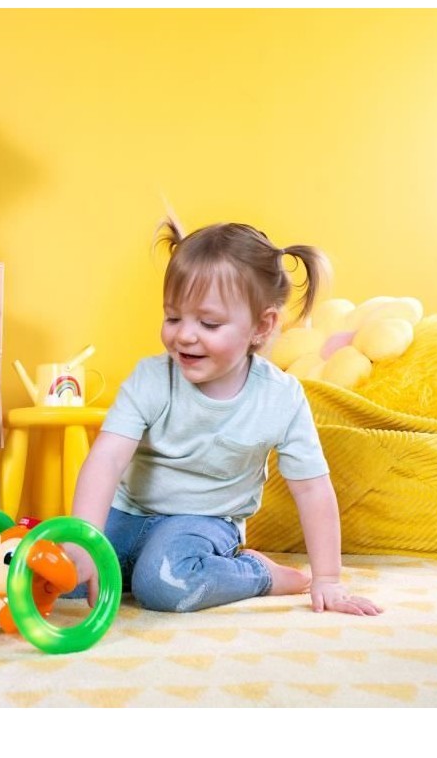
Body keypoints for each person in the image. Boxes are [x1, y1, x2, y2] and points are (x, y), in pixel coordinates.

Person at [66, 218, 382, 616]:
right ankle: (124, 566)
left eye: (209, 323)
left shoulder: (280, 398)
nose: (184, 335)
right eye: (173, 317)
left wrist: (328, 579)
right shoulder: (150, 378)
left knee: (163, 585)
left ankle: (257, 573)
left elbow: (312, 490)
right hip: (127, 512)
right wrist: (84, 542)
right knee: (57, 574)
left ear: (261, 326)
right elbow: (107, 459)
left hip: (203, 523)